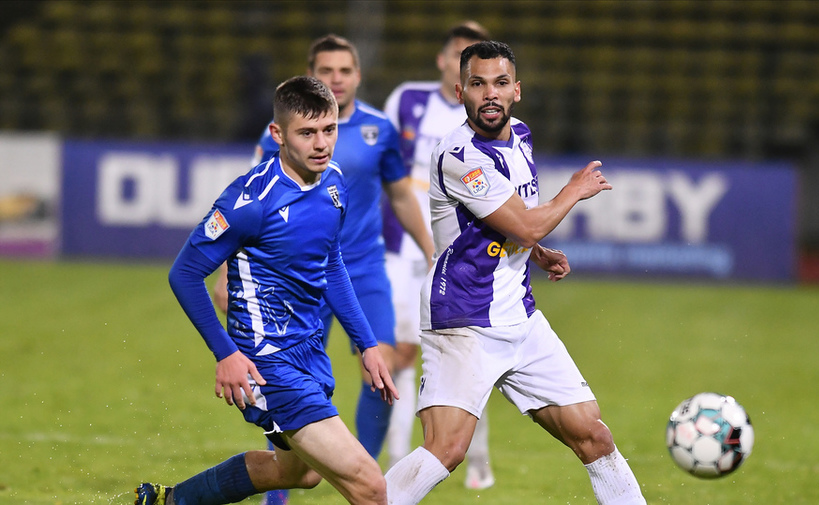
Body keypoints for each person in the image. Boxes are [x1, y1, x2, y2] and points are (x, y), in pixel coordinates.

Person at [383, 41, 647, 504]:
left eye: (500, 83)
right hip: (463, 318)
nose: (490, 94)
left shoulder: (520, 135)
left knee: (593, 434)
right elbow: (524, 220)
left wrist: (536, 249)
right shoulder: (459, 155)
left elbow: (514, 218)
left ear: (517, 91)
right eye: (478, 84)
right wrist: (573, 191)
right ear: (461, 90)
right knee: (446, 449)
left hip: (520, 318)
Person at [136, 76, 398, 505]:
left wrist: (367, 344)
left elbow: (330, 264)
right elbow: (184, 274)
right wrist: (226, 353)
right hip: (266, 361)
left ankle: (168, 501)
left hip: (309, 352)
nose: (321, 143)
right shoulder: (249, 201)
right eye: (307, 133)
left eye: (329, 130)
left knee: (297, 473)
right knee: (370, 485)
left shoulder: (333, 183)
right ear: (278, 134)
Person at [219, 34, 433, 505]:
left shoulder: (380, 130)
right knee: (289, 379)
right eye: (327, 71)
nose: (336, 79)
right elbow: (251, 207)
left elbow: (399, 195)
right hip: (296, 279)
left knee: (381, 373)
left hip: (363, 270)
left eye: (345, 70)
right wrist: (224, 277)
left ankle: (367, 477)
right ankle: (288, 492)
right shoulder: (284, 132)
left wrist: (430, 249)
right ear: (313, 75)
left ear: (358, 75)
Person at [380, 21, 496, 490]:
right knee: (399, 354)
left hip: (462, 253)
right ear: (445, 62)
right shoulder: (408, 100)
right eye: (460, 54)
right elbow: (383, 166)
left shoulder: (488, 121)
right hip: (400, 246)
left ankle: (479, 457)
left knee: (471, 357)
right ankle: (394, 459)